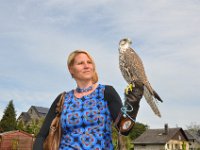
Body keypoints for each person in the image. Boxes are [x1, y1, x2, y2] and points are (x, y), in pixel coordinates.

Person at [33, 50, 143, 150]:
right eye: (80, 63)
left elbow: (124, 129)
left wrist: (133, 103)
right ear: (71, 69)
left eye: (89, 62)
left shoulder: (106, 92)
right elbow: (41, 135)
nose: (86, 66)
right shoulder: (63, 99)